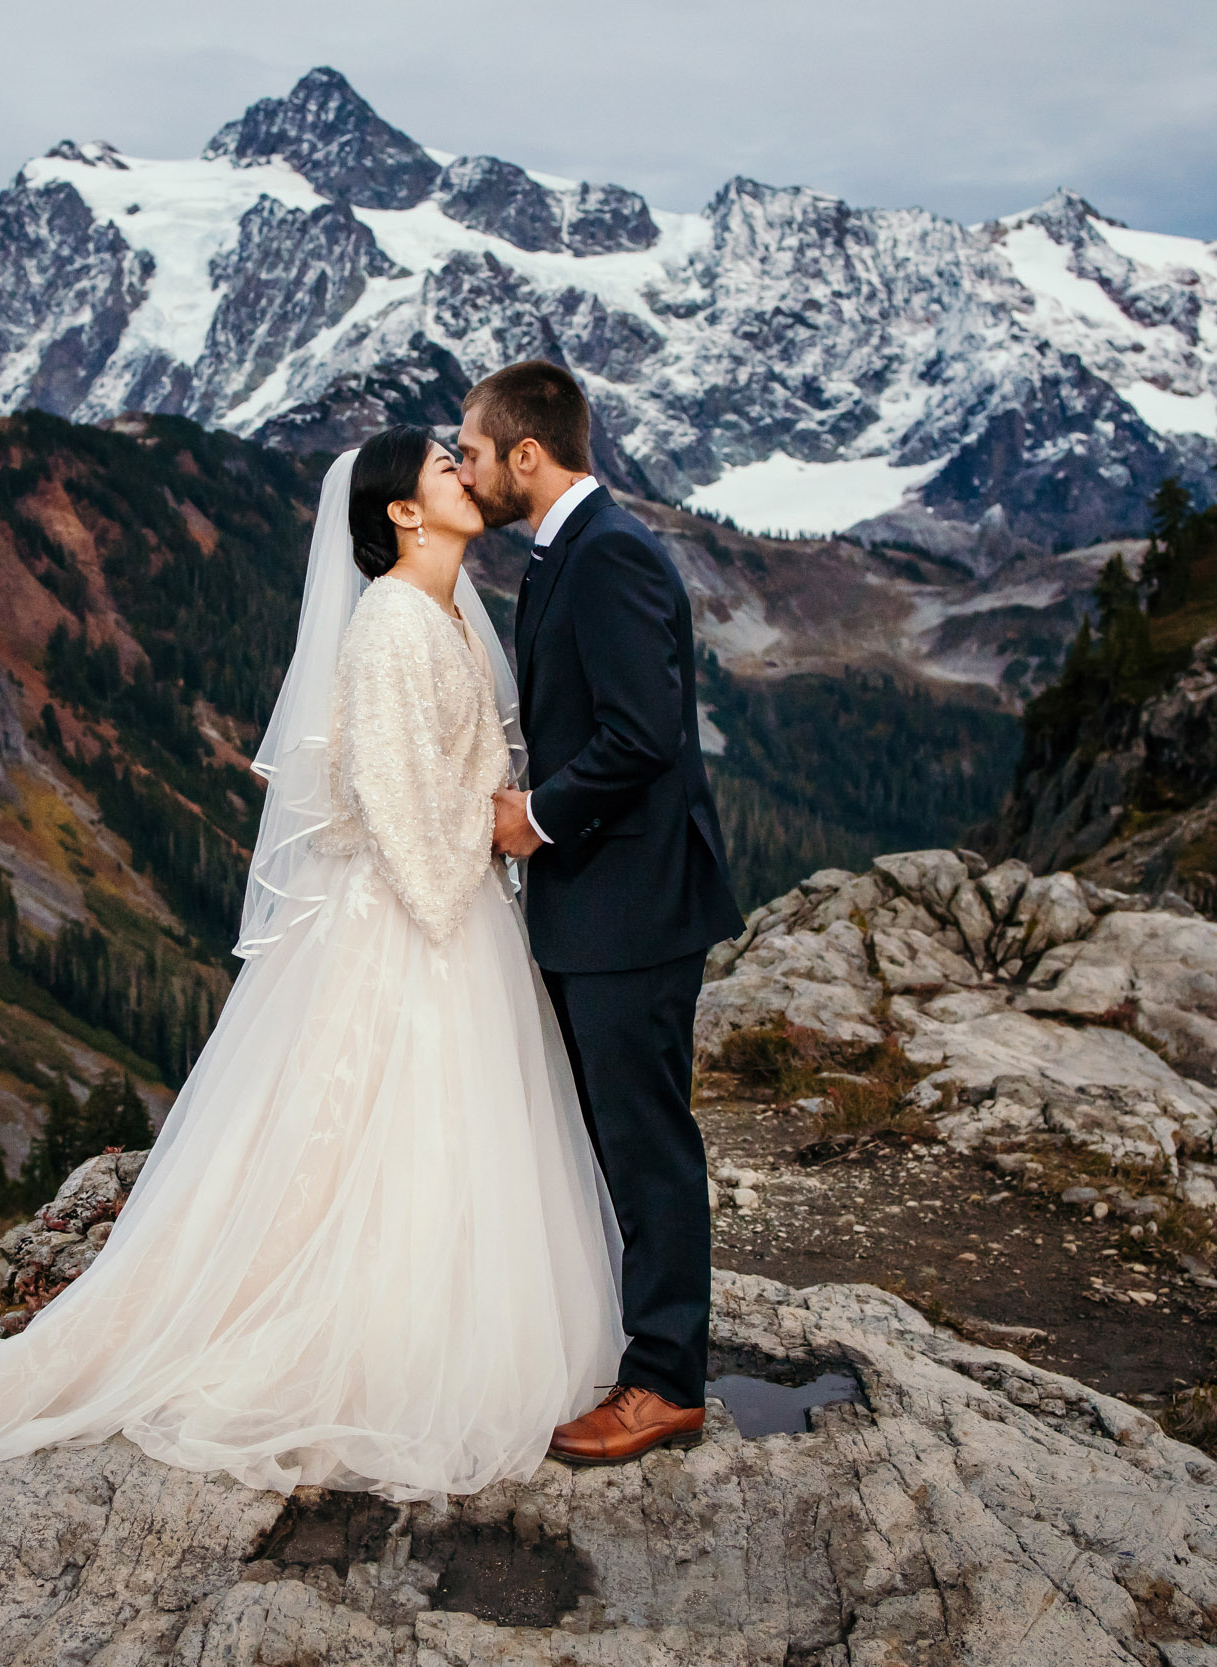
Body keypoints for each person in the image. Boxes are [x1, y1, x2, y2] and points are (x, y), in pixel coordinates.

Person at [0, 428, 625, 1501]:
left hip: (452, 908)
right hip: (416, 912)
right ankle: (365, 1347)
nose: (468, 469)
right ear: (402, 512)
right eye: (445, 465)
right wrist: (496, 834)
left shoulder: (452, 614)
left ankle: (433, 1320)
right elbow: (396, 807)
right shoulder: (391, 625)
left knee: (444, 1139)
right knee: (389, 1138)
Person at [457, 361, 745, 1466]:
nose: (466, 469)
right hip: (601, 904)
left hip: (632, 906)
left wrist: (536, 816)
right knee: (617, 1136)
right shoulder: (569, 551)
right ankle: (635, 1348)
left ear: (527, 453)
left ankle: (666, 1382)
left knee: (647, 1141)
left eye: (474, 450)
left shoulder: (610, 552)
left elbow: (645, 732)